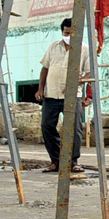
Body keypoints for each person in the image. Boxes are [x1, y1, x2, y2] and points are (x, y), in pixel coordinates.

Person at [36, 18, 89, 174]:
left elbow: (89, 72)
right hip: (51, 94)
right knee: (47, 126)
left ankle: (73, 161)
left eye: (72, 33)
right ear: (62, 32)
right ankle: (56, 160)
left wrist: (75, 83)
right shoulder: (53, 46)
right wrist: (40, 89)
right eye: (66, 33)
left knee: (75, 129)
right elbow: (45, 68)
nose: (69, 35)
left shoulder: (83, 49)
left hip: (73, 96)